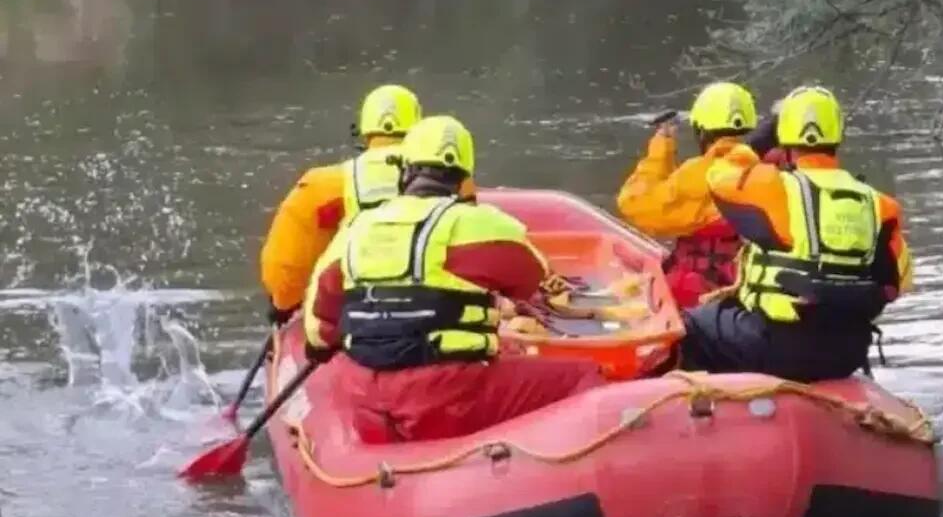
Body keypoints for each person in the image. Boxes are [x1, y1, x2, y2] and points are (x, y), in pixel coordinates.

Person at [303, 115, 604, 443]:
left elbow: (320, 328)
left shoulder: (355, 229)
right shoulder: (483, 225)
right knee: (583, 377)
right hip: (444, 397)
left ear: (405, 172)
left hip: (364, 396)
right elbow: (536, 283)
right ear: (465, 180)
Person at [679, 86, 913, 382]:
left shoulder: (774, 188)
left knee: (690, 326)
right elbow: (901, 280)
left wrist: (758, 141)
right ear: (838, 135)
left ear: (784, 137)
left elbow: (717, 176)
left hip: (778, 347)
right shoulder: (880, 205)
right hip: (848, 352)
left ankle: (708, 414)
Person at [259, 84, 423, 326]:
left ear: (364, 132)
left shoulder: (322, 188)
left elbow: (285, 266)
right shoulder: (450, 182)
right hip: (428, 310)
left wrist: (283, 306)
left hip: (353, 316)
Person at [616, 82, 758, 308]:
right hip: (744, 287)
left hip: (699, 291)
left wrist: (661, 146)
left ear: (701, 130)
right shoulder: (764, 170)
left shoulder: (700, 173)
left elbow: (635, 204)